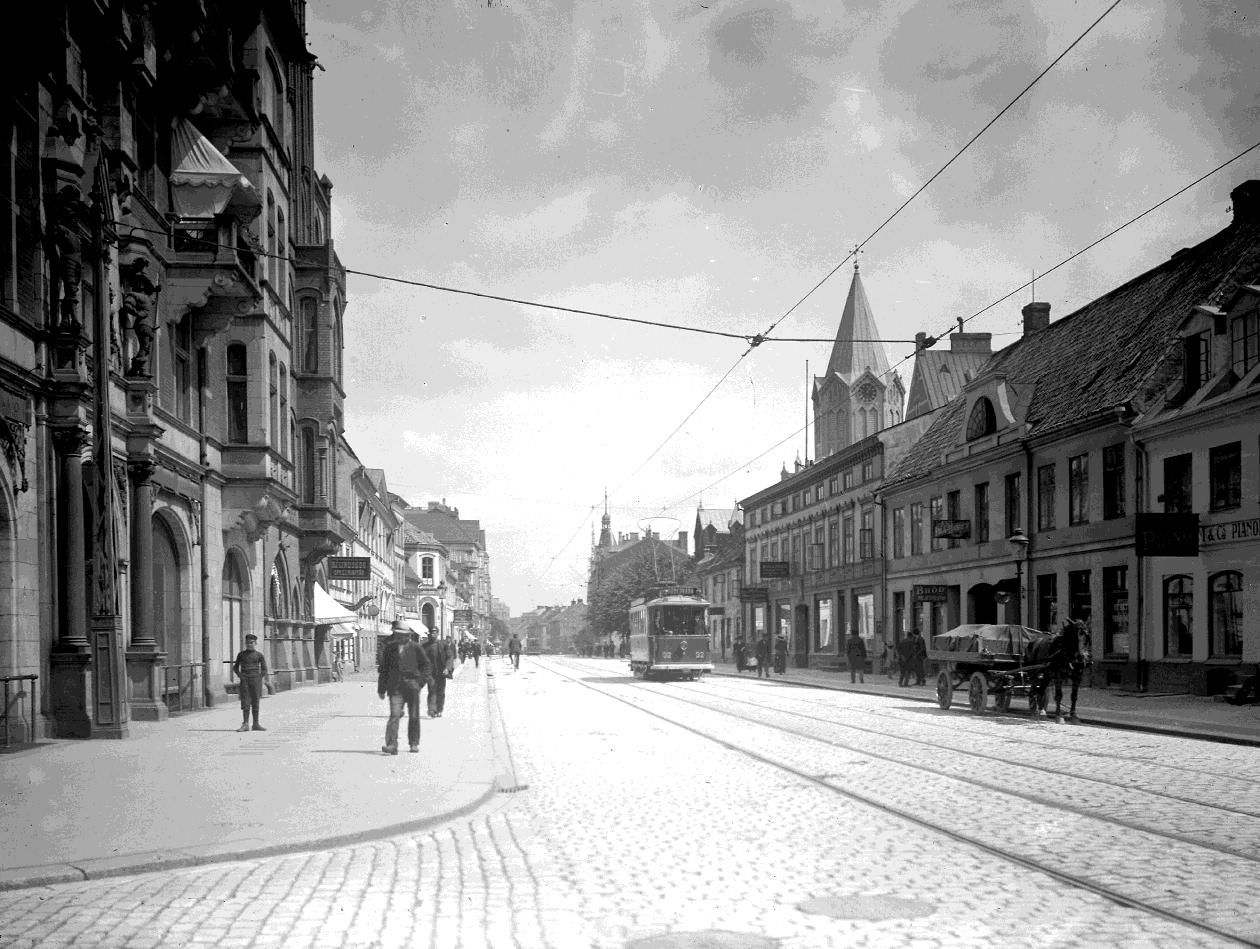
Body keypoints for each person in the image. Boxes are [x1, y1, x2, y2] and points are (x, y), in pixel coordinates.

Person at [377, 619, 432, 754]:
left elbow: (426, 666)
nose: (400, 637)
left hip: (412, 686)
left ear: (408, 635)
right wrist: (381, 689)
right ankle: (392, 745)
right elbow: (384, 669)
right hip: (395, 687)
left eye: (403, 635)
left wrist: (419, 683)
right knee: (394, 715)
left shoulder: (416, 648)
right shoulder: (390, 648)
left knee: (413, 716)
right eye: (398, 634)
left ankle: (413, 743)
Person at [232, 634, 271, 732]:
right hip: (245, 681)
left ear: (255, 643)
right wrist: (241, 676)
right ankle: (245, 724)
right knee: (245, 701)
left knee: (255, 701)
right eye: (247, 643)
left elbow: (264, 669)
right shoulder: (241, 655)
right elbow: (235, 668)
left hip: (255, 681)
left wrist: (259, 677)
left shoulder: (259, 655)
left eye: (251, 643)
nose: (249, 645)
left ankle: (256, 724)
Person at [424, 630, 451, 718]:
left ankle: (439, 709)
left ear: (437, 634)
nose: (432, 634)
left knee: (440, 692)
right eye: (431, 633)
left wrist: (447, 668)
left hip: (441, 672)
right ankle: (432, 709)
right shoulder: (425, 646)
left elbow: (449, 657)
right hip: (430, 673)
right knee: (431, 691)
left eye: (434, 633)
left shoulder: (443, 645)